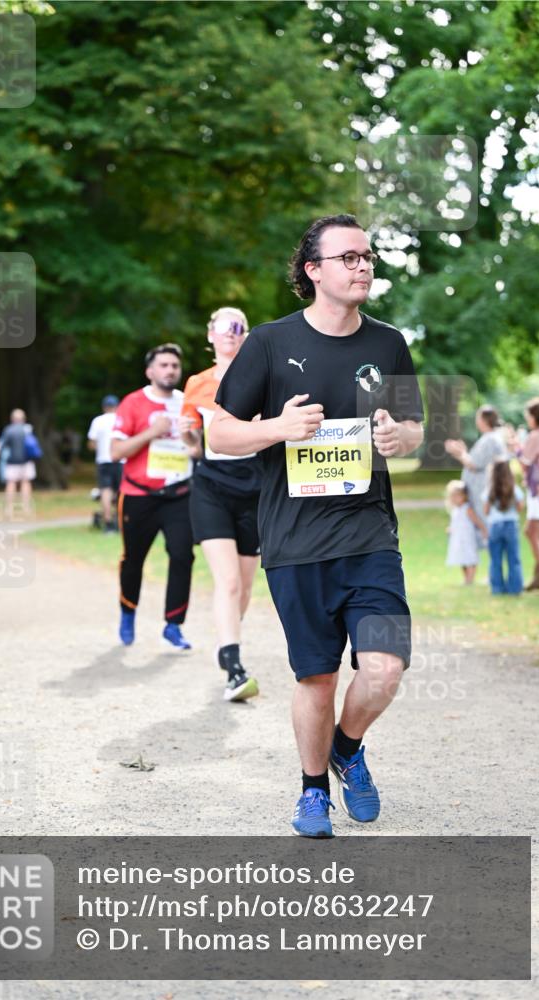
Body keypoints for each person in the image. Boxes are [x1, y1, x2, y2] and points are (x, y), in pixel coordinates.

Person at [209, 214, 424, 838]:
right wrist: (278, 427)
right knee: (318, 675)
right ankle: (311, 794)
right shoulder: (270, 344)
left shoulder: (388, 344)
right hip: (295, 541)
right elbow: (219, 433)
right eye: (349, 257)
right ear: (314, 270)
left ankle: (347, 747)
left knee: (384, 668)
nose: (363, 266)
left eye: (368, 256)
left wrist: (397, 436)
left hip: (369, 535)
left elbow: (414, 429)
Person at [181, 307, 261, 702]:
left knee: (244, 586)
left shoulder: (261, 376)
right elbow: (196, 448)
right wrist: (188, 438)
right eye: (223, 327)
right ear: (210, 334)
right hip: (211, 486)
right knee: (227, 580)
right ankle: (233, 666)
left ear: (245, 335)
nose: (230, 333)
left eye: (238, 327)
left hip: (255, 487)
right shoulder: (196, 384)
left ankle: (228, 636)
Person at [111, 343, 195, 650]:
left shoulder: (187, 403)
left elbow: (198, 449)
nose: (170, 370)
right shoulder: (133, 403)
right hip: (139, 494)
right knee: (133, 559)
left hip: (179, 494)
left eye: (174, 365)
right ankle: (127, 612)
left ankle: (173, 625)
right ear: (150, 371)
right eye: (164, 365)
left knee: (183, 554)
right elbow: (116, 451)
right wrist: (151, 432)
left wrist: (191, 437)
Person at [509, 396, 539, 593]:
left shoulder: (536, 436)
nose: (527, 419)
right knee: (531, 532)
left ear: (535, 416)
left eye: (528, 415)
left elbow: (524, 460)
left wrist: (515, 445)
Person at [444, 405, 507, 538]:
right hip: (481, 490)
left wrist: (459, 453)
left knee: (484, 529)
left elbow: (474, 464)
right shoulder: (490, 438)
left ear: (484, 420)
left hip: (481, 490)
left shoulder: (490, 439)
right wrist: (462, 453)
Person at [482, 461, 524, 596]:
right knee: (514, 559)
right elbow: (520, 507)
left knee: (495, 559)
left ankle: (497, 588)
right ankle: (514, 588)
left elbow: (486, 510)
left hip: (495, 526)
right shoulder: (514, 489)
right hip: (511, 525)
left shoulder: (490, 490)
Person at [87, 395, 122, 532]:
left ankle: (108, 523)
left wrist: (100, 448)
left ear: (104, 407)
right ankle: (119, 521)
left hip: (103, 460)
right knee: (121, 492)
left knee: (105, 491)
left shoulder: (98, 421)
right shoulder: (121, 419)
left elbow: (92, 443)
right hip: (120, 460)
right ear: (117, 406)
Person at [445, 480, 485, 585]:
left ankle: (470, 579)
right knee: (462, 558)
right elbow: (455, 523)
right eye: (452, 496)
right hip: (458, 539)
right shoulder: (455, 510)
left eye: (457, 496)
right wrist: (450, 529)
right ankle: (466, 578)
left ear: (464, 496)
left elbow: (477, 521)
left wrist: (484, 530)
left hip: (467, 538)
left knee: (470, 557)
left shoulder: (467, 509)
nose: (454, 499)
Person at [0, 409, 37, 519]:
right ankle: (26, 508)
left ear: (12, 419)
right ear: (23, 419)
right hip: (27, 460)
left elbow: (2, 445)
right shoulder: (28, 429)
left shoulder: (9, 430)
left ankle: (9, 508)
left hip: (12, 461)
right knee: (26, 483)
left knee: (11, 483)